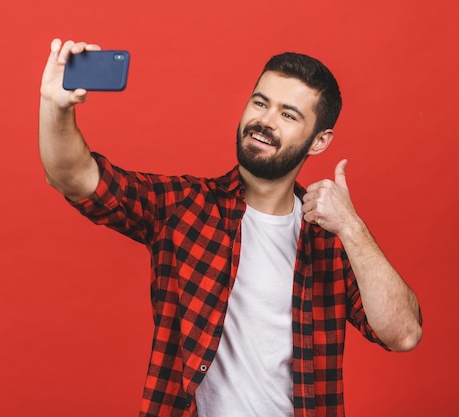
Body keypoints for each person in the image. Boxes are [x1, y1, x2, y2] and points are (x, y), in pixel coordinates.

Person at [38, 38, 423, 417]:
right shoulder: (184, 208)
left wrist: (352, 228)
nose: (265, 121)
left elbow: (403, 334)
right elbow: (75, 177)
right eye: (260, 103)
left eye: (288, 115)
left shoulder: (330, 240)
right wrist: (55, 107)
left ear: (319, 141)